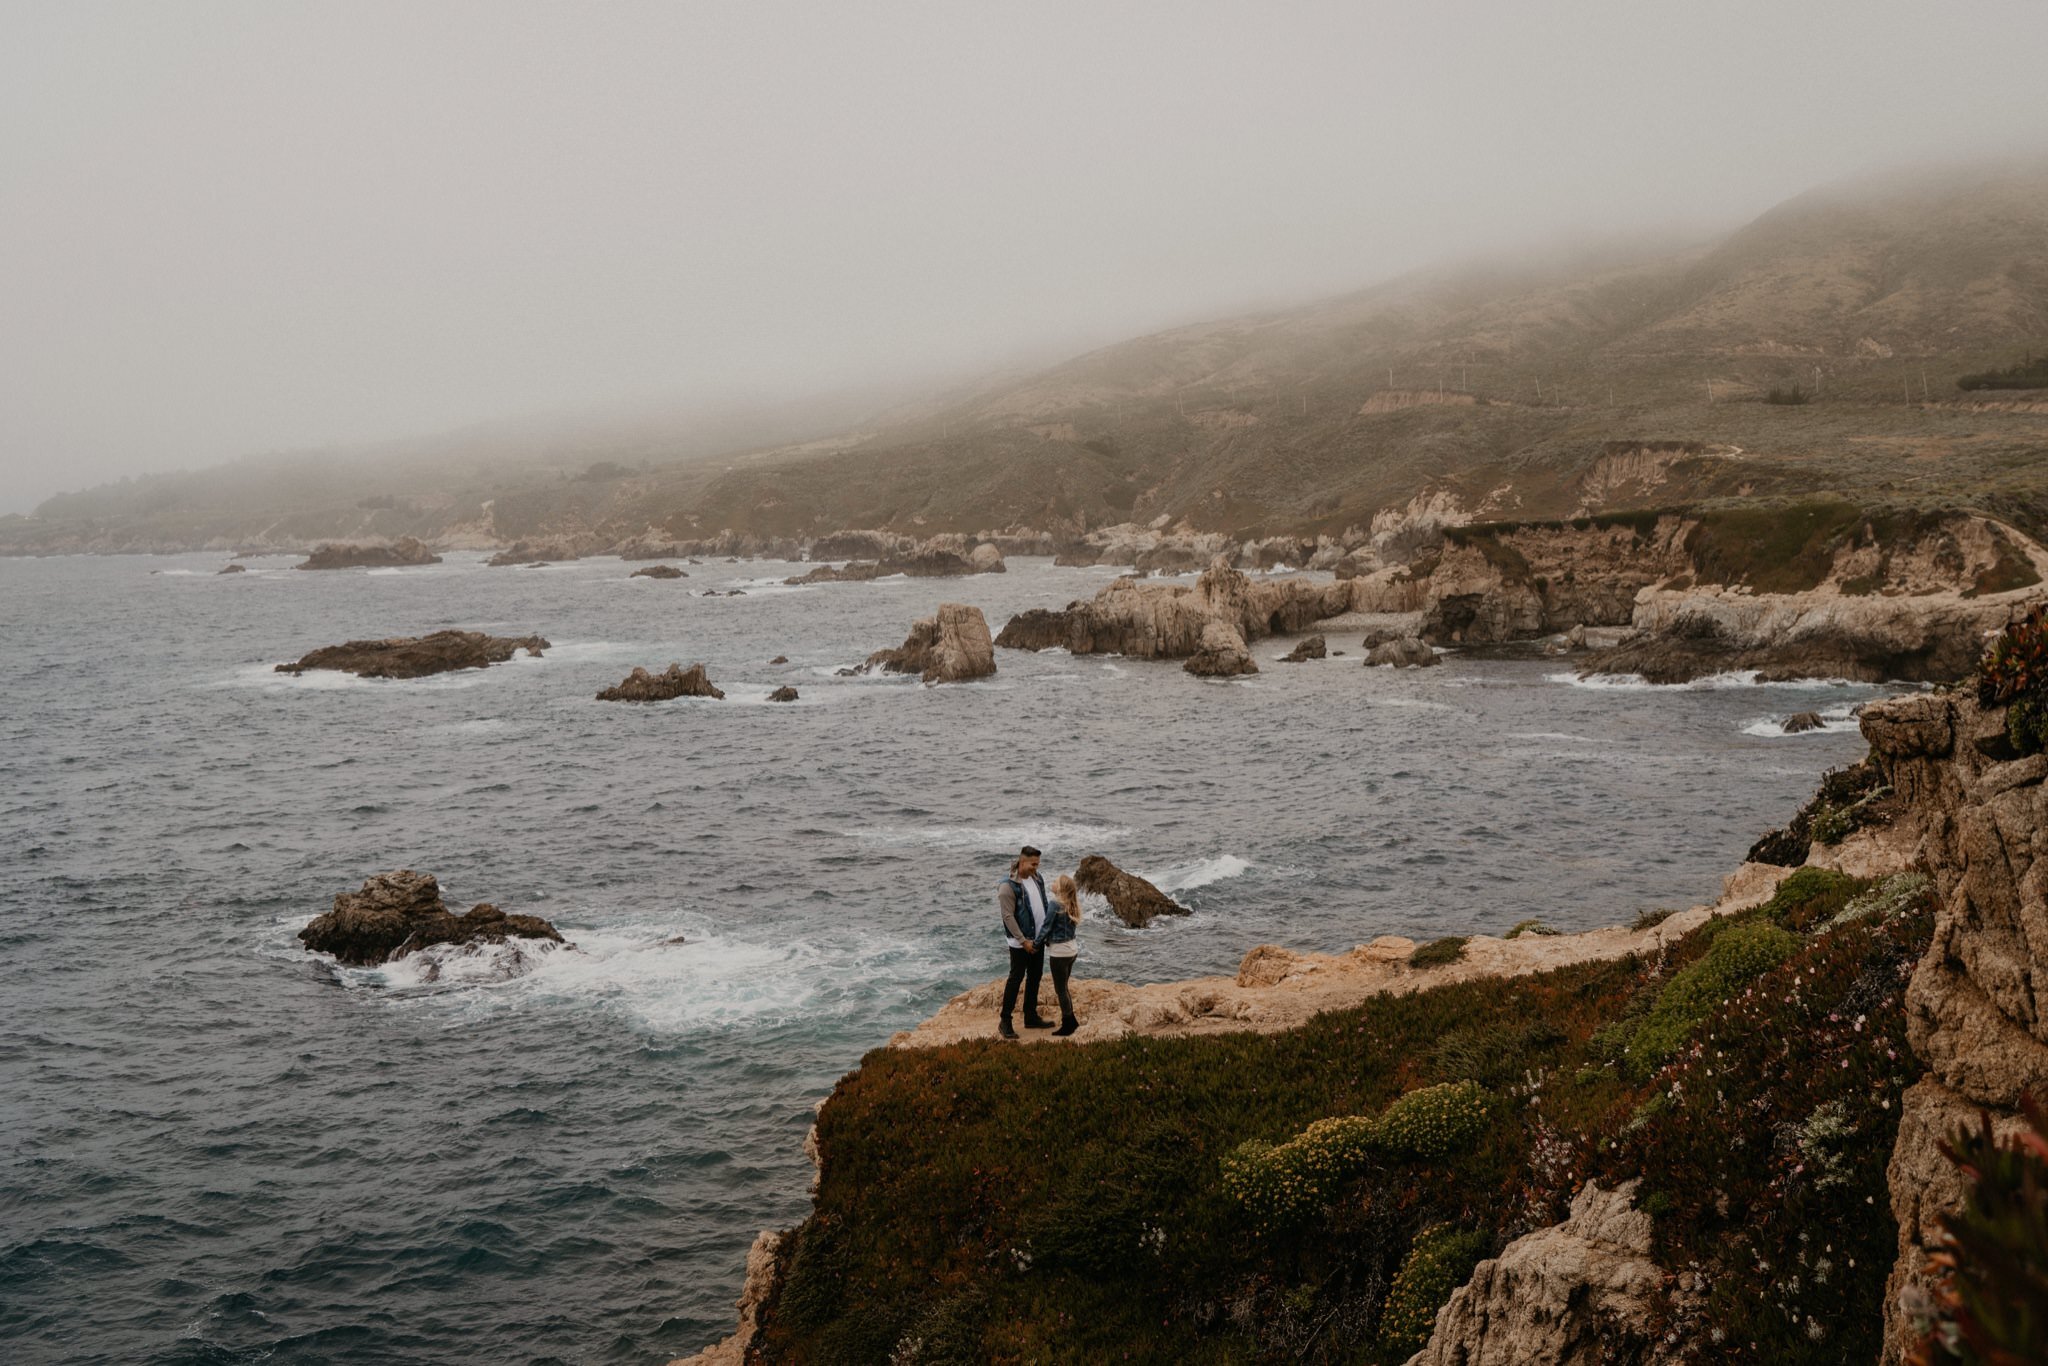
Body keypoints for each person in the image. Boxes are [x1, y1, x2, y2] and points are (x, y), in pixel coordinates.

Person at [997, 845, 1054, 1039]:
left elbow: (1044, 905)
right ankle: (1005, 1021)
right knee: (1016, 979)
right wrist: (1023, 941)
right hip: (1020, 943)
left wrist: (1046, 934)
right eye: (1033, 864)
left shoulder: (1038, 878)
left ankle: (1030, 1016)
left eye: (1037, 864)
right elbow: (1008, 917)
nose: (1036, 868)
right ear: (1022, 862)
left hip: (1037, 939)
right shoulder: (1007, 886)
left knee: (1035, 977)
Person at [1039, 873, 1083, 1036]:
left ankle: (1067, 1025)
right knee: (1064, 987)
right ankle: (1072, 1021)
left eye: (1056, 881)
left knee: (1061, 990)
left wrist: (1035, 945)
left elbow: (1046, 927)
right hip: (1072, 950)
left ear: (1061, 888)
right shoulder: (1071, 904)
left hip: (1060, 953)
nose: (1053, 882)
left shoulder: (1055, 904)